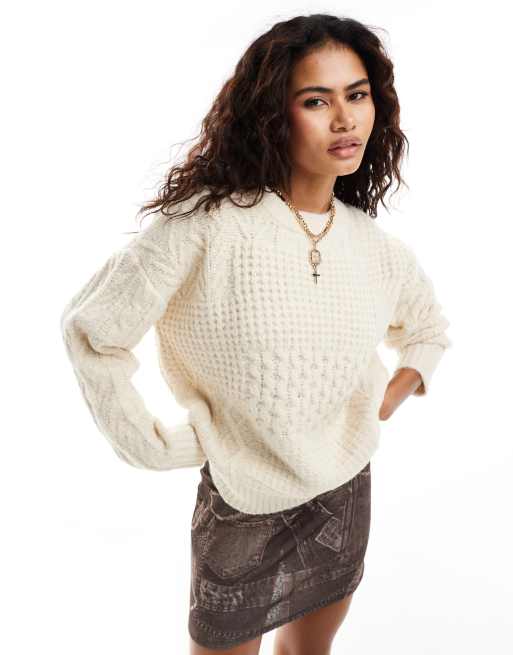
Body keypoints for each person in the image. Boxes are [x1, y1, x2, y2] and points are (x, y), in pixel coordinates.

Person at [60, 13, 452, 655]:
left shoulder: (370, 245)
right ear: (273, 114)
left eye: (357, 95)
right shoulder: (206, 225)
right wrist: (153, 445)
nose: (345, 120)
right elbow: (92, 331)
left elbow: (428, 328)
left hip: (342, 491)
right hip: (242, 500)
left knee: (307, 653)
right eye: (316, 101)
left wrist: (381, 400)